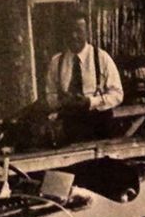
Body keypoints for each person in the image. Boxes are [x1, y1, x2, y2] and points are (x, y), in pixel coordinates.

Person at [44, 11, 124, 144]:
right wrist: (61, 102)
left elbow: (117, 94)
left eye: (79, 31)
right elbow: (50, 96)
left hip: (99, 127)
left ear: (87, 32)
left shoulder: (102, 58)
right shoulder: (56, 62)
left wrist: (91, 102)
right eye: (70, 31)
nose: (74, 36)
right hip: (69, 128)